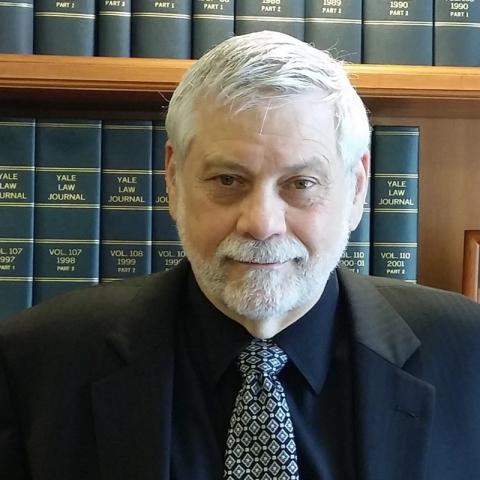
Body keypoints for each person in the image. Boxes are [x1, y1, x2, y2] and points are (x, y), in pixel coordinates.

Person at [1, 31, 480, 480]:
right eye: (227, 180)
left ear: (356, 190)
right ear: (173, 181)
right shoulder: (33, 363)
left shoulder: (468, 354)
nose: (262, 222)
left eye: (301, 184)